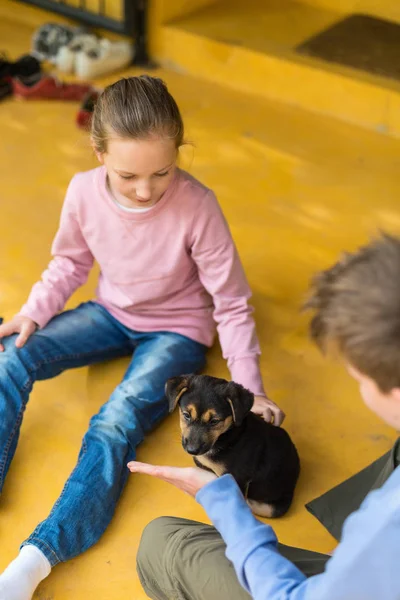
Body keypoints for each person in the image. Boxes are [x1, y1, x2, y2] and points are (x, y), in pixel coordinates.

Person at [0, 75, 283, 600]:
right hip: (112, 311)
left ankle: (35, 559)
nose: (147, 190)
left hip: (176, 328)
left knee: (115, 420)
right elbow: (70, 261)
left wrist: (250, 386)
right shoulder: (83, 192)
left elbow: (232, 301)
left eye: (163, 171)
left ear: (179, 151)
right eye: (128, 174)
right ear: (98, 149)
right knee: (9, 356)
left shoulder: (199, 205)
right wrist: (33, 313)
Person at [131, 233, 400, 600]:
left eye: (358, 377)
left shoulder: (388, 519)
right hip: (360, 575)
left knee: (159, 540)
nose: (194, 434)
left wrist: (219, 498)